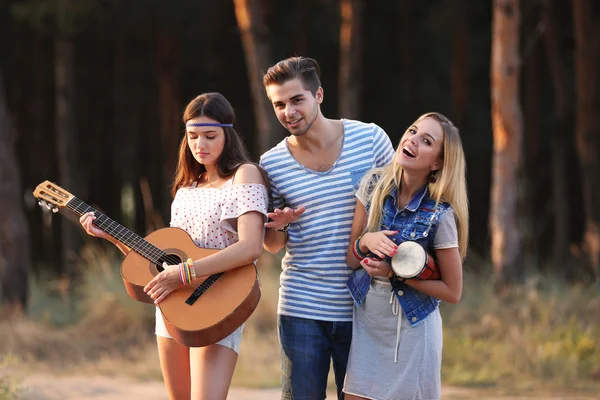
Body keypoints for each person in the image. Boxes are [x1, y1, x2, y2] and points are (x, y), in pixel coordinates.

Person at [79, 92, 269, 400]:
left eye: (210, 135)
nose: (200, 145)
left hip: (218, 301)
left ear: (228, 135)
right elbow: (164, 261)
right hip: (174, 305)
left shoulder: (244, 175)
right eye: (193, 136)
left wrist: (185, 274)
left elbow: (250, 248)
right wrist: (111, 236)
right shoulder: (185, 188)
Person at [259, 56, 395, 400]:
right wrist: (282, 225)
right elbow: (273, 245)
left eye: (296, 100)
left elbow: (400, 209)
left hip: (364, 304)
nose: (288, 112)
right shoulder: (271, 163)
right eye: (278, 104)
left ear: (318, 95)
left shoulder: (371, 139)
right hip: (301, 306)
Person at [343, 112, 469, 400]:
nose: (411, 140)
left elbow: (452, 291)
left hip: (413, 331)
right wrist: (366, 241)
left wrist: (391, 273)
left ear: (437, 163)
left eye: (426, 141)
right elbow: (351, 260)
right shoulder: (373, 186)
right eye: (412, 131)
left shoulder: (441, 213)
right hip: (369, 325)